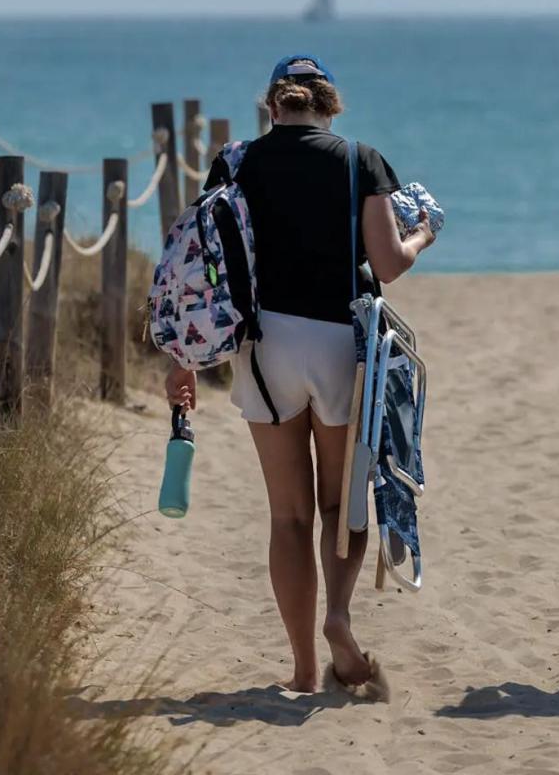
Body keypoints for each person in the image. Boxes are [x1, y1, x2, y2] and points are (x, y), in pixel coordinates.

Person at [164, 56, 435, 697]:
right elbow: (388, 265)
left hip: (264, 346)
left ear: (273, 106)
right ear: (330, 106)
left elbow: (200, 267)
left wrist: (182, 361)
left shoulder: (238, 162)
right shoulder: (360, 160)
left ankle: (303, 670)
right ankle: (339, 619)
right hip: (341, 341)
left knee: (287, 517)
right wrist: (421, 235)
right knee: (342, 508)